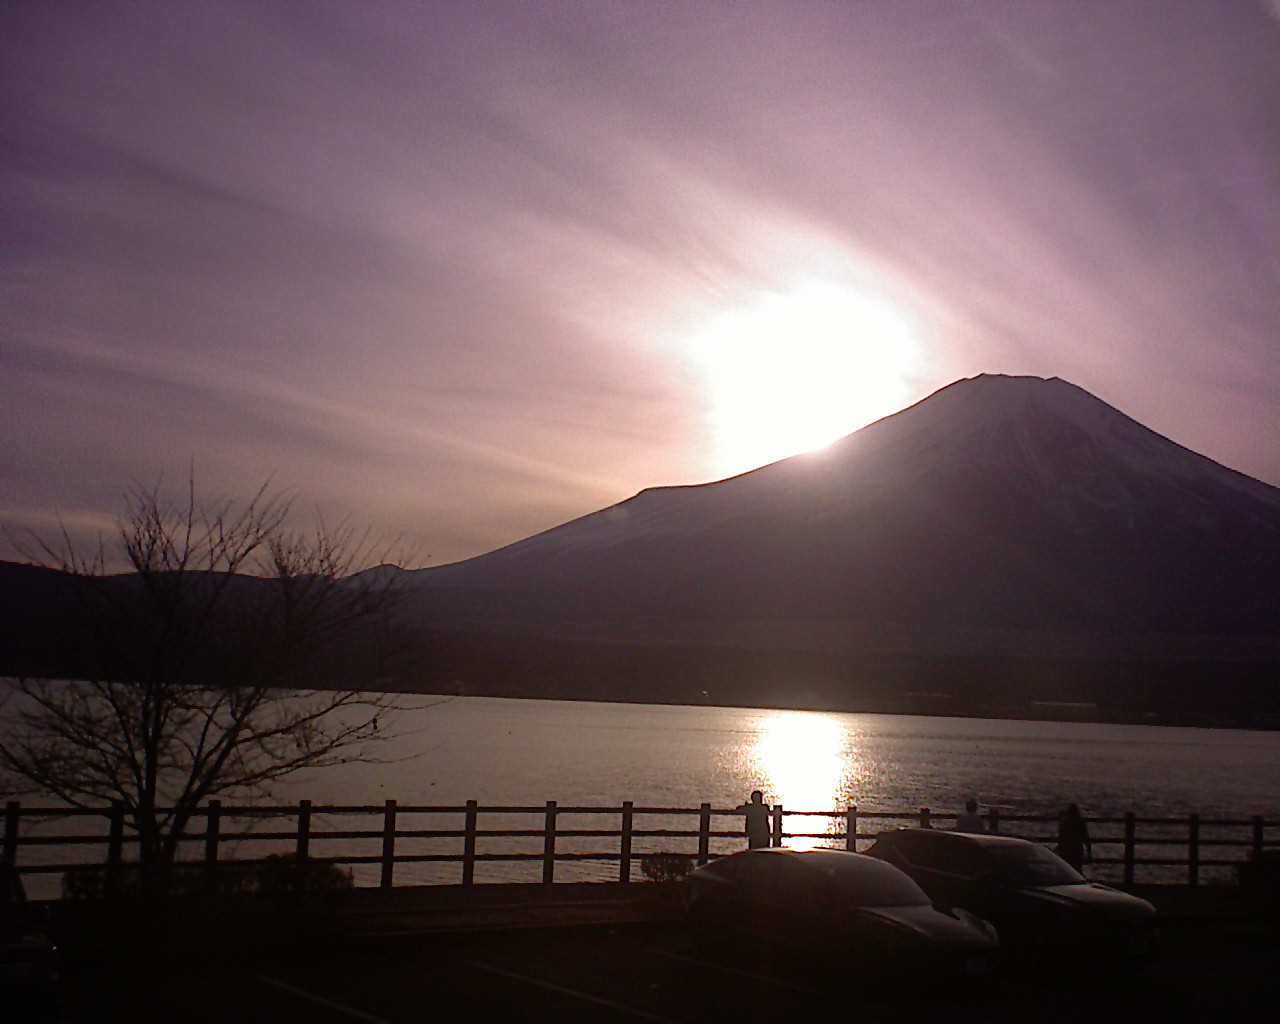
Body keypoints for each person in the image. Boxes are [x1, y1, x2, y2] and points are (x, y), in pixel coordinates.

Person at [1057, 803, 1092, 872]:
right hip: (1076, 849)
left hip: (1066, 849)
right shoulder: (1080, 821)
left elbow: (1061, 837)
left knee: (1067, 869)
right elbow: (1086, 838)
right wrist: (1089, 852)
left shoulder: (1064, 822)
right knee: (1077, 869)